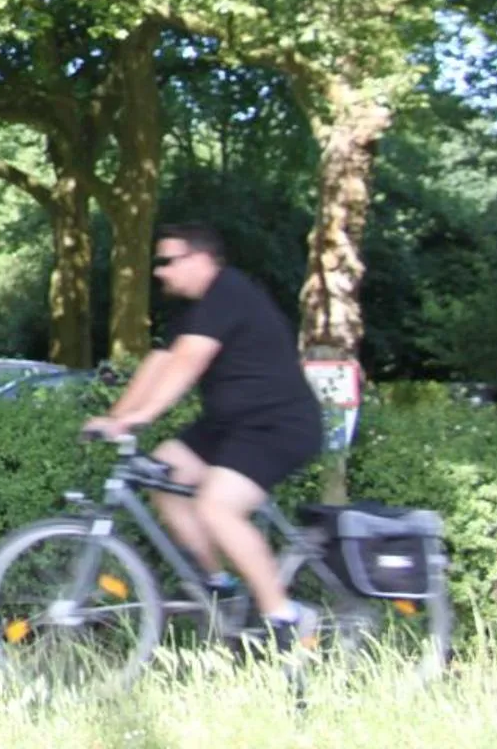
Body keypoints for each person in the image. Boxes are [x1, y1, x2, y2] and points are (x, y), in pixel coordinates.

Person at [84, 222, 324, 646]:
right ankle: (220, 586)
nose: (159, 271)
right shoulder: (192, 310)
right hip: (229, 426)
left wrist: (139, 418)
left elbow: (187, 365)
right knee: (165, 477)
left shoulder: (228, 293)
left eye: (168, 261)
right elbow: (159, 363)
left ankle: (284, 618)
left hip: (277, 425)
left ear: (199, 259)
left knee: (217, 507)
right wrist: (115, 416)